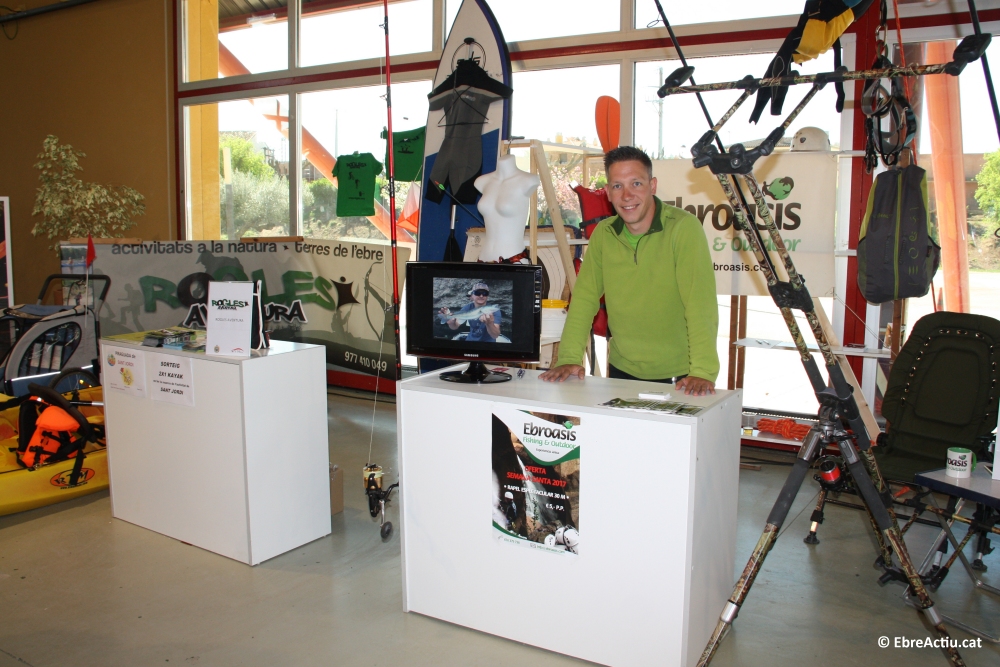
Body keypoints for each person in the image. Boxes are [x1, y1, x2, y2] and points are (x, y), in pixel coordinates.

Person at [539, 146, 719, 396]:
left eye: (636, 183)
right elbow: (584, 299)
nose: (627, 195)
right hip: (622, 368)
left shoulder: (683, 228)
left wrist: (703, 371)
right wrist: (569, 357)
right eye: (617, 186)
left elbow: (700, 304)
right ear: (608, 193)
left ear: (652, 186)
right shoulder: (604, 234)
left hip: (681, 374)